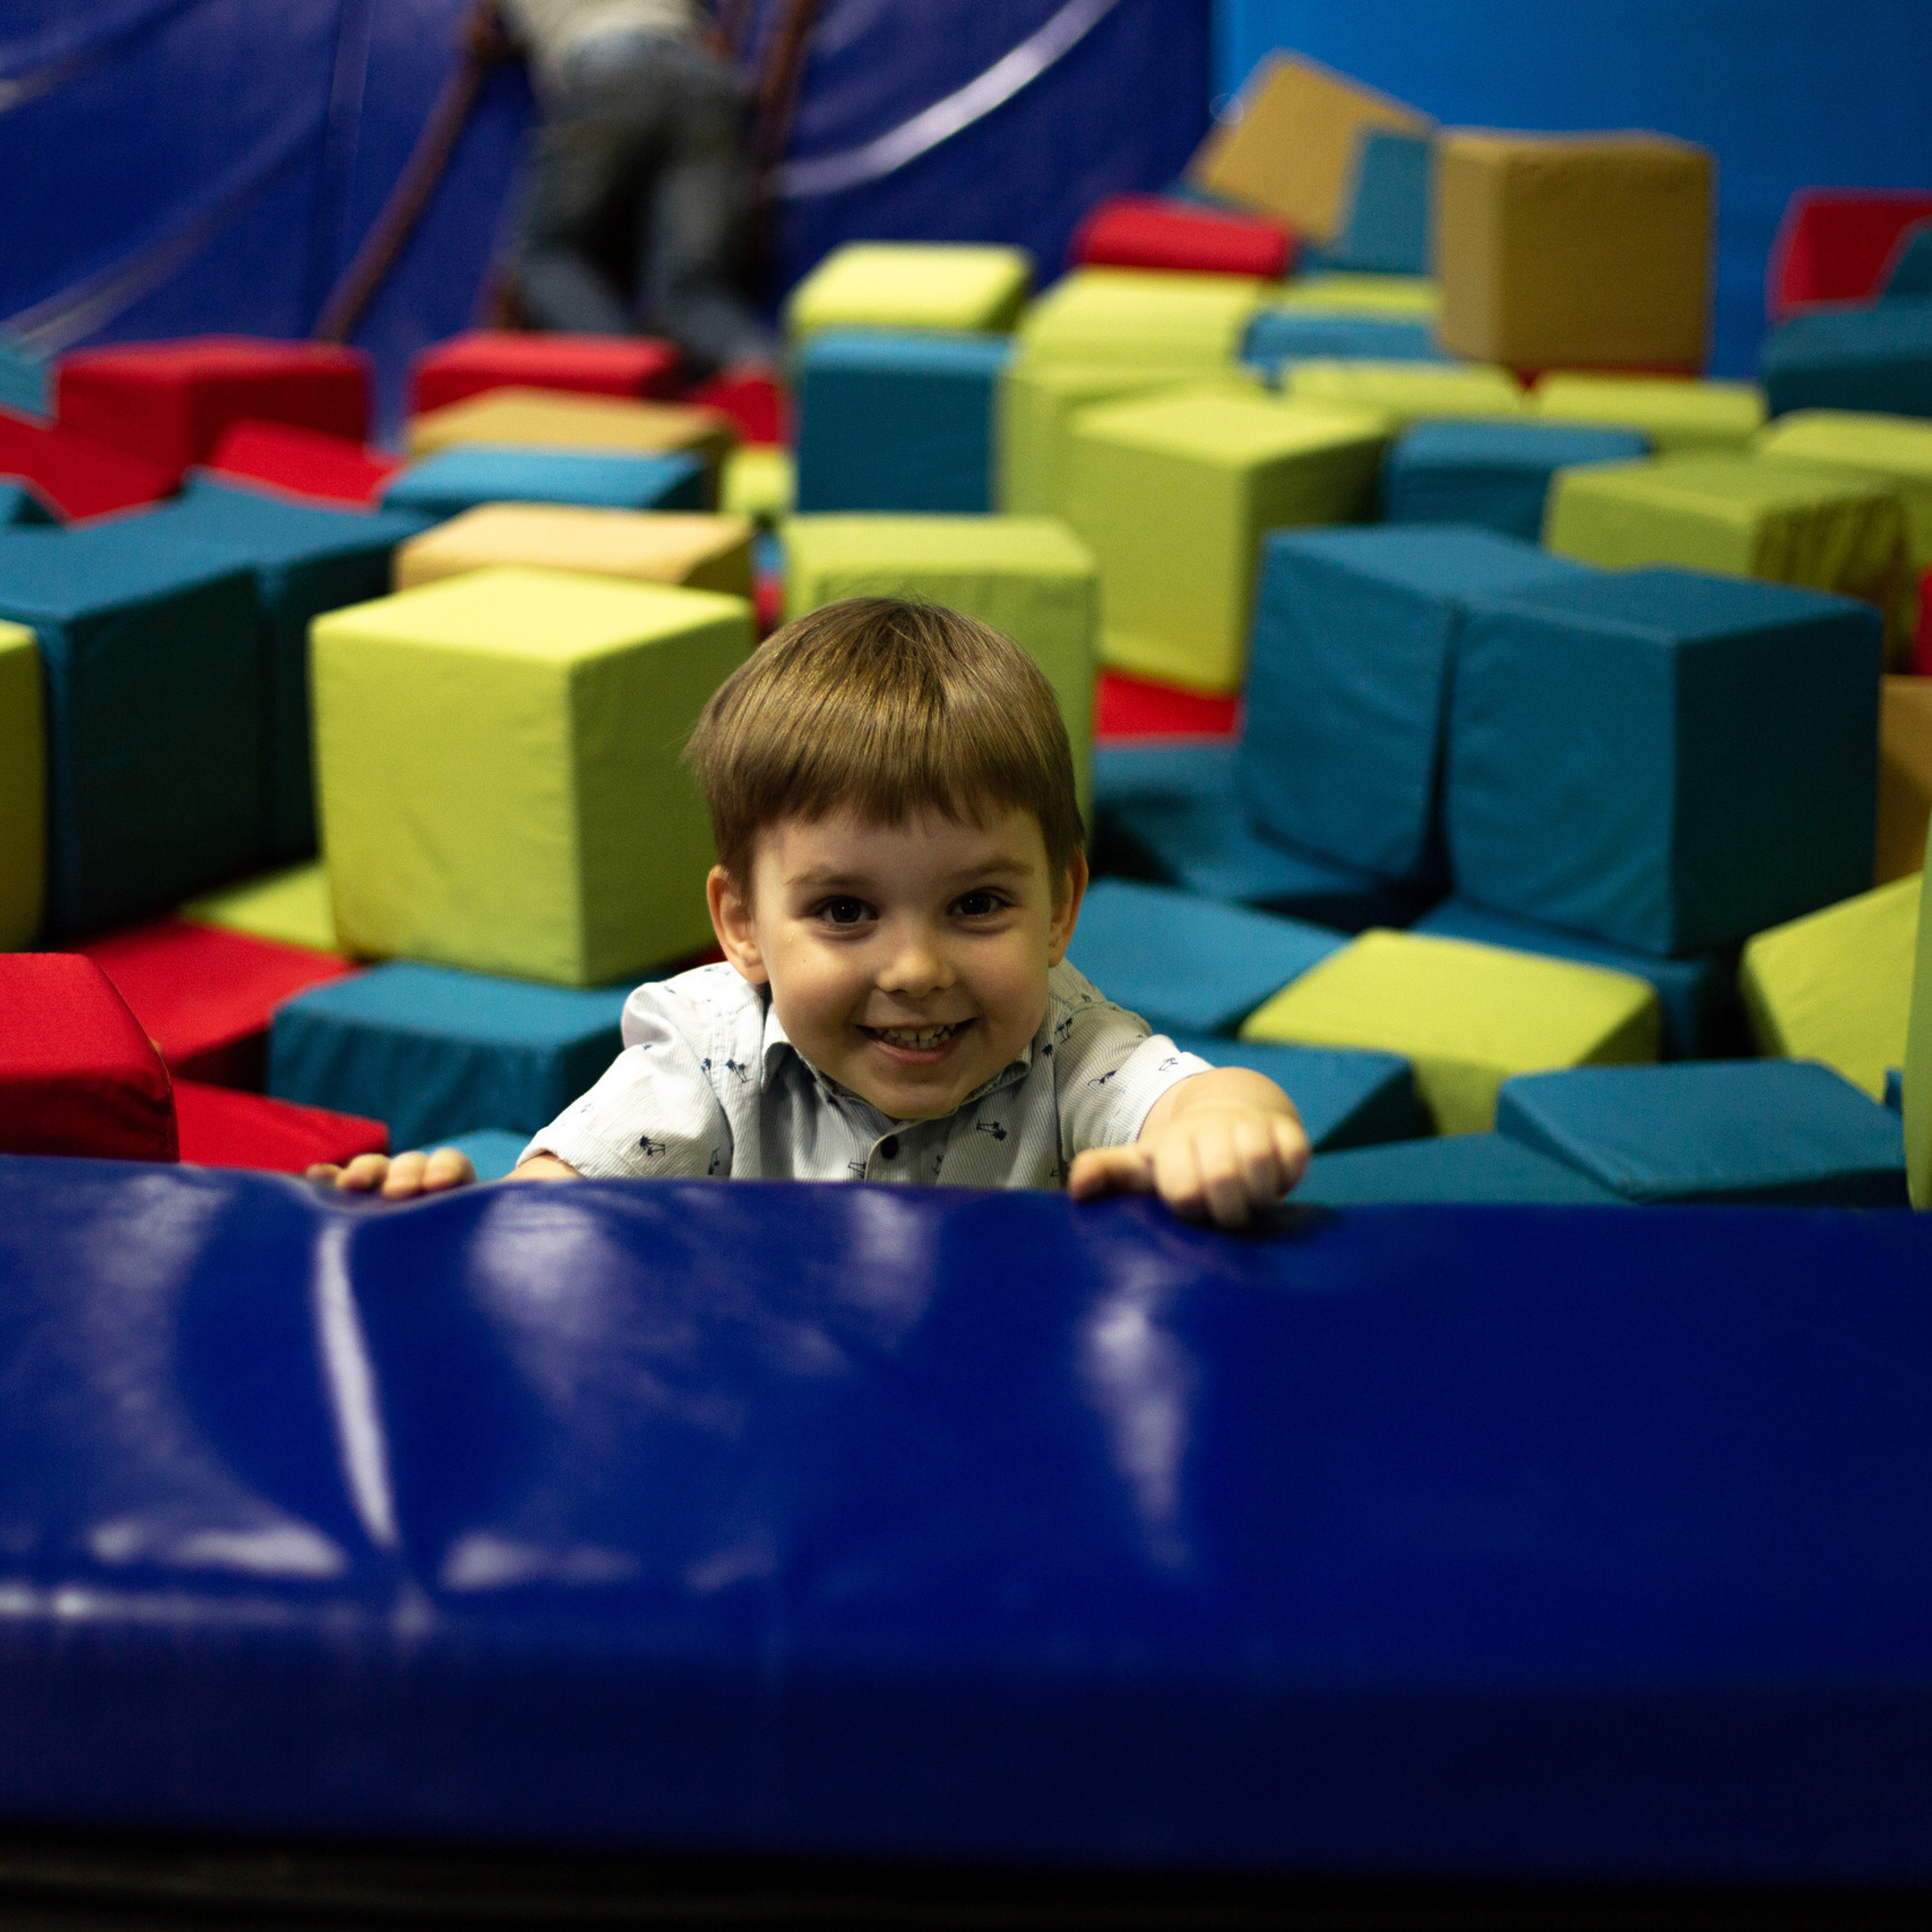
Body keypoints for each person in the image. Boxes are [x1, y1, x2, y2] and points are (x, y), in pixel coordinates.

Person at [311, 599, 1312, 1228]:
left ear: (1060, 909)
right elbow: (558, 1207)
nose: (916, 968)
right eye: (844, 911)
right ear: (743, 925)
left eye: (977, 904)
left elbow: (1193, 1099)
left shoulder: (1067, 1044)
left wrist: (1224, 1132)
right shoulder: (710, 1053)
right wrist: (447, 1227)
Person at [500, 0, 777, 375]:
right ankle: (765, 376)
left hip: (606, 71)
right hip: (702, 74)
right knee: (691, 291)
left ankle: (630, 377)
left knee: (544, 253)